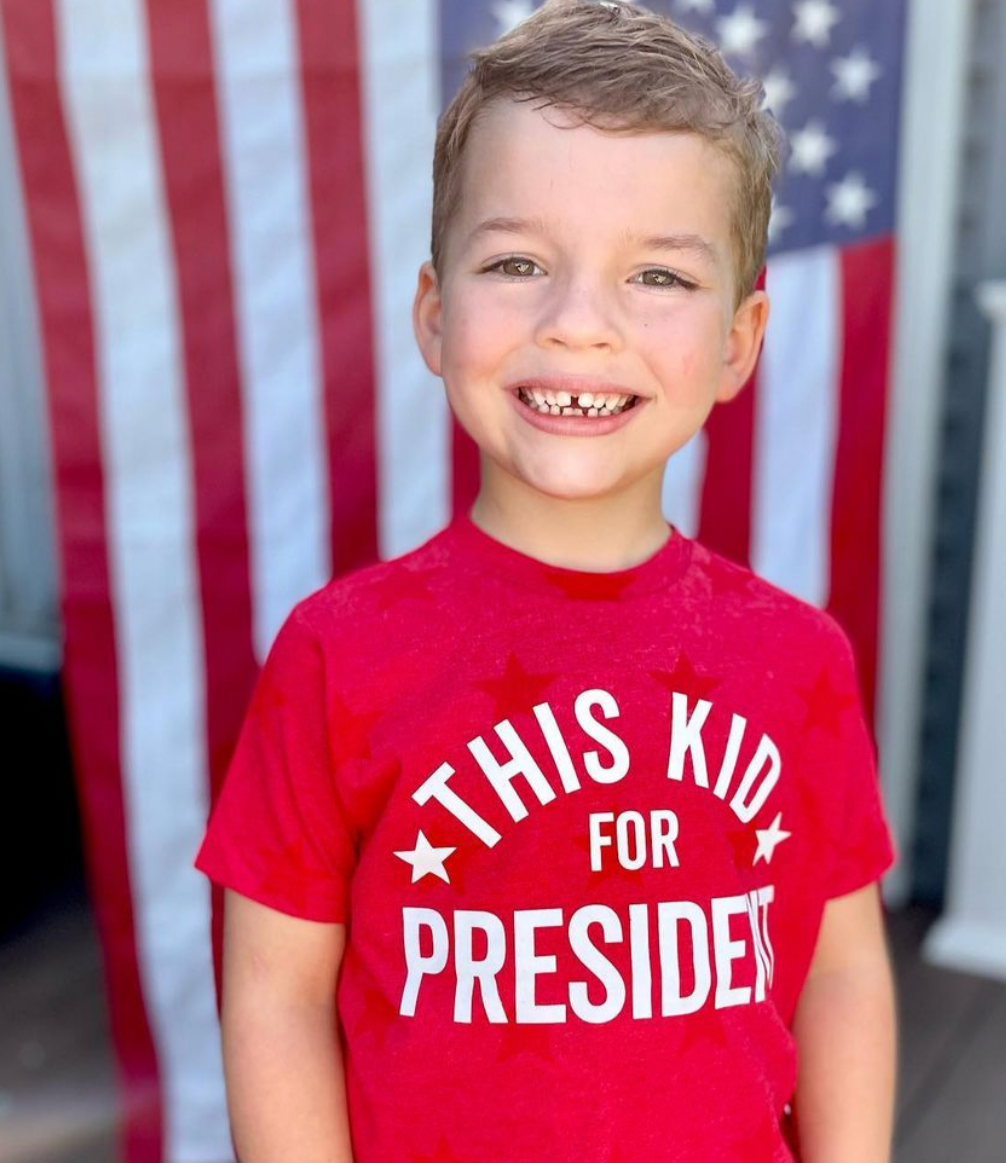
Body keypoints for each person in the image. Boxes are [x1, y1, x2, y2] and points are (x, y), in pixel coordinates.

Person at [195, 2, 899, 1160]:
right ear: (435, 313)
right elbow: (276, 992)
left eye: (657, 275)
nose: (579, 325)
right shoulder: (339, 653)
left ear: (737, 340)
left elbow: (838, 967)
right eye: (517, 263)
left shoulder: (797, 657)